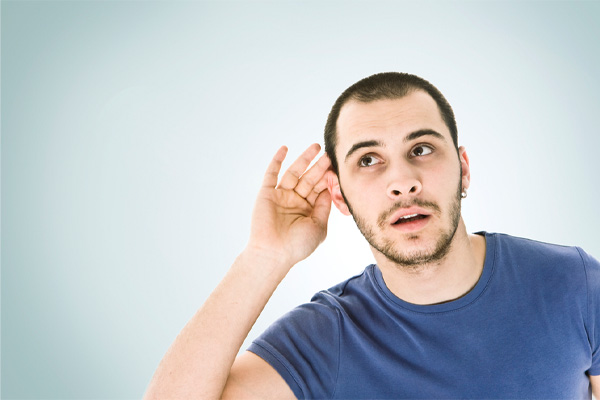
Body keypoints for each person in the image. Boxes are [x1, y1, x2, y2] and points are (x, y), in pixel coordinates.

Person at [144, 72, 600, 399]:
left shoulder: (573, 283)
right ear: (338, 196)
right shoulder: (326, 338)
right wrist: (264, 257)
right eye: (368, 159)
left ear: (463, 169)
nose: (402, 182)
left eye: (421, 149)